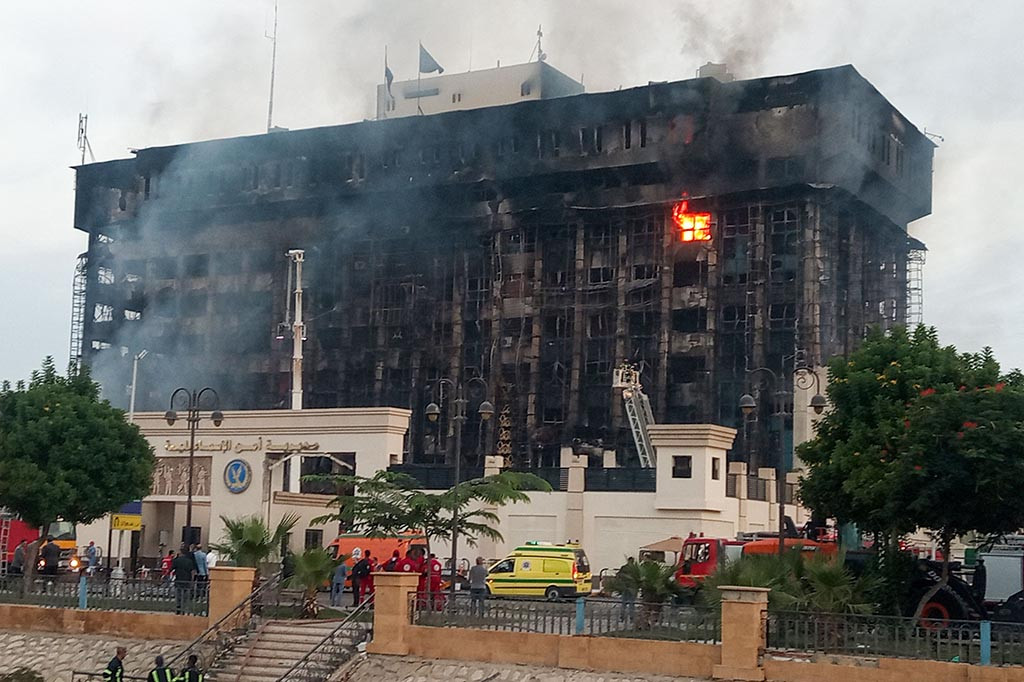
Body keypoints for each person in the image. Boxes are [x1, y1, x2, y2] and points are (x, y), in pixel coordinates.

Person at [171, 545, 196, 615]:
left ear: (180, 552)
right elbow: (192, 571)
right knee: (185, 597)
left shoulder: (176, 560)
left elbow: (171, 569)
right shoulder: (189, 561)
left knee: (178, 596)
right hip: (187, 581)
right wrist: (192, 580)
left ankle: (178, 609)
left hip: (178, 580)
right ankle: (184, 610)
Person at [616, 557, 637, 624]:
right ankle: (631, 618)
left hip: (625, 587)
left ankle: (622, 617)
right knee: (631, 604)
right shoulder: (635, 569)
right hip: (632, 588)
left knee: (624, 603)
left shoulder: (624, 568)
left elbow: (618, 575)